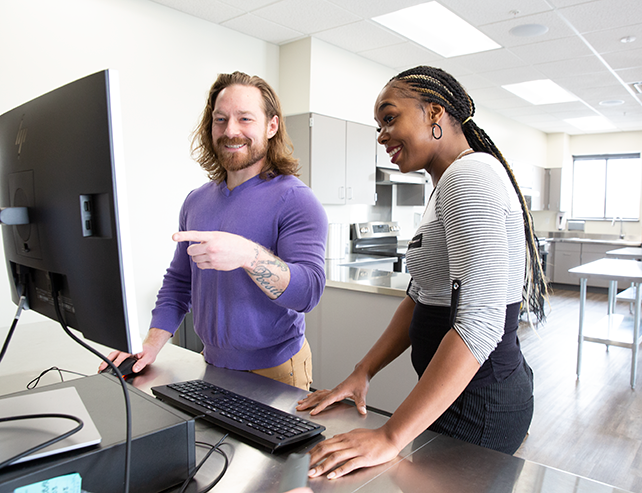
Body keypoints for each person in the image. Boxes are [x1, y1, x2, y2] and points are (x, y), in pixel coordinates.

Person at [296, 66, 548, 479]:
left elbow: (482, 324)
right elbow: (420, 298)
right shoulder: (447, 184)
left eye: (390, 118)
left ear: (435, 114)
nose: (381, 135)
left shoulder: (470, 177)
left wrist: (391, 435)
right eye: (379, 125)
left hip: (478, 405)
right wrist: (362, 372)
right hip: (458, 398)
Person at [101, 72, 328, 391]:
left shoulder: (297, 200)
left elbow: (308, 293)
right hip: (211, 364)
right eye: (220, 119)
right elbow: (179, 283)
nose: (231, 130)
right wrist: (150, 345)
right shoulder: (196, 201)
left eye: (245, 118)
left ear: (271, 126)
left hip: (276, 370)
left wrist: (248, 256)